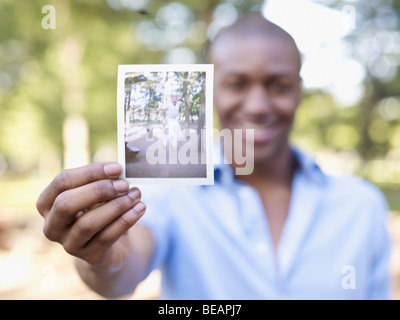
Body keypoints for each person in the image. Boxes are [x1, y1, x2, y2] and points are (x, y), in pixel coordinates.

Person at [36, 14, 392, 299]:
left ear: (299, 91)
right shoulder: (170, 192)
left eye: (278, 85)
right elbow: (123, 272)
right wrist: (101, 258)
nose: (257, 106)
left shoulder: (362, 206)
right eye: (237, 84)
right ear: (208, 91)